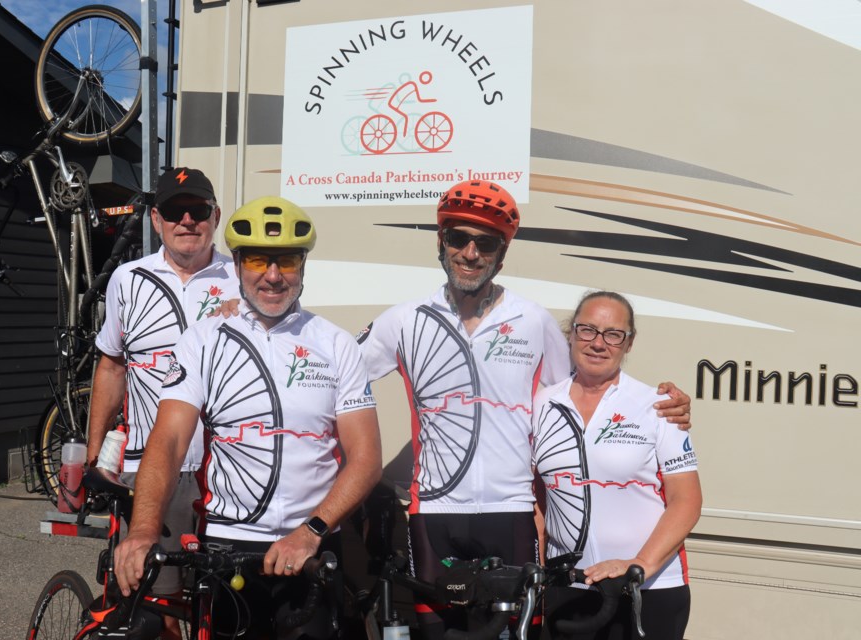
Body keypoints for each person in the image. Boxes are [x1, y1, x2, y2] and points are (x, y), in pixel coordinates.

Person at [355, 180, 692, 639]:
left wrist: (663, 407)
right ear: (441, 241)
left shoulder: (533, 322)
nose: (471, 253)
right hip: (433, 511)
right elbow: (334, 381)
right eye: (458, 238)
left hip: (512, 512)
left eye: (487, 243)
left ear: (502, 253)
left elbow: (575, 396)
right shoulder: (404, 320)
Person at [114, 197, 382, 639]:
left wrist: (312, 531)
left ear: (303, 265)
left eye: (287, 261)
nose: (273, 276)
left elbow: (367, 457)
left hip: (311, 546)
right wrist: (143, 529)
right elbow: (169, 441)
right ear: (236, 264)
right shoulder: (202, 340)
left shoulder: (335, 344)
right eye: (258, 259)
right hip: (228, 550)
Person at [87, 166, 234, 640]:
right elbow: (111, 368)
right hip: (149, 470)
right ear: (156, 220)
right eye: (175, 210)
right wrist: (94, 459)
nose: (186, 220)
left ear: (215, 215)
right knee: (160, 606)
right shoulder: (127, 280)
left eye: (198, 210)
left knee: (225, 606)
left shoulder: (245, 279)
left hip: (228, 473)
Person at [533, 291, 702, 640]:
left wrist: (638, 565)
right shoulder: (541, 404)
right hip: (569, 587)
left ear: (629, 343)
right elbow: (536, 497)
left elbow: (687, 500)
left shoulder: (658, 406)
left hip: (648, 589)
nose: (598, 343)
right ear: (572, 333)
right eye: (587, 330)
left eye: (613, 334)